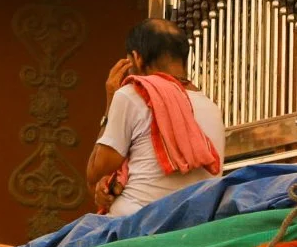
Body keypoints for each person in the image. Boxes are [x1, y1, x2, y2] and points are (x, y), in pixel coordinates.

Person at [86, 18, 225, 216]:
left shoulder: (131, 95)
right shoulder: (212, 108)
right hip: (193, 223)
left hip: (133, 223)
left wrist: (111, 100)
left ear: (136, 58)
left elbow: (94, 175)